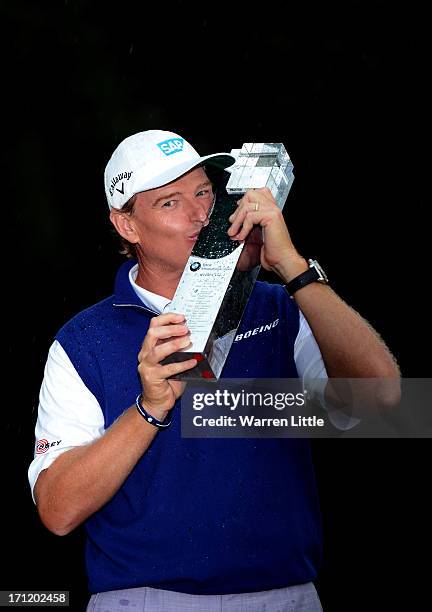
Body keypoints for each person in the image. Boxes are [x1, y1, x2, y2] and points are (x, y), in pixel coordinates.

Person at [29, 129, 400, 611]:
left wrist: (290, 266)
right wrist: (150, 408)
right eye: (170, 202)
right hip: (145, 598)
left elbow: (382, 401)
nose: (201, 213)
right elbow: (57, 511)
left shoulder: (279, 306)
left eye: (204, 191)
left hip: (285, 594)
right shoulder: (83, 340)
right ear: (126, 226)